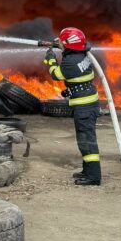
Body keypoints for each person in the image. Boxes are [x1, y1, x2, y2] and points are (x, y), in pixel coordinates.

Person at [44, 27, 101, 185]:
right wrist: (60, 44)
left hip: (84, 106)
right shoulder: (81, 53)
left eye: (63, 41)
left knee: (86, 140)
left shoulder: (70, 61)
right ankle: (88, 170)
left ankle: (94, 177)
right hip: (88, 102)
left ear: (69, 44)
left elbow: (56, 74)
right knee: (85, 138)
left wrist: (50, 59)